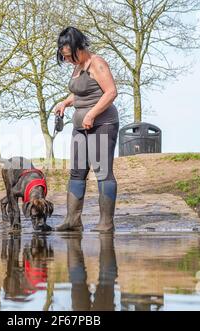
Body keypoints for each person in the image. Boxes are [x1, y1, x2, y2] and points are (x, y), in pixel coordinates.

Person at [55, 26, 119, 232]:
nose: (67, 60)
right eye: (64, 57)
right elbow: (82, 93)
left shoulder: (97, 63)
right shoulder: (77, 66)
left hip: (102, 124)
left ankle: (106, 223)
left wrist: (92, 114)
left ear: (79, 47)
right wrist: (65, 102)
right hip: (80, 127)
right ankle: (73, 220)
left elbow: (110, 92)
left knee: (102, 171)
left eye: (69, 56)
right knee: (77, 172)